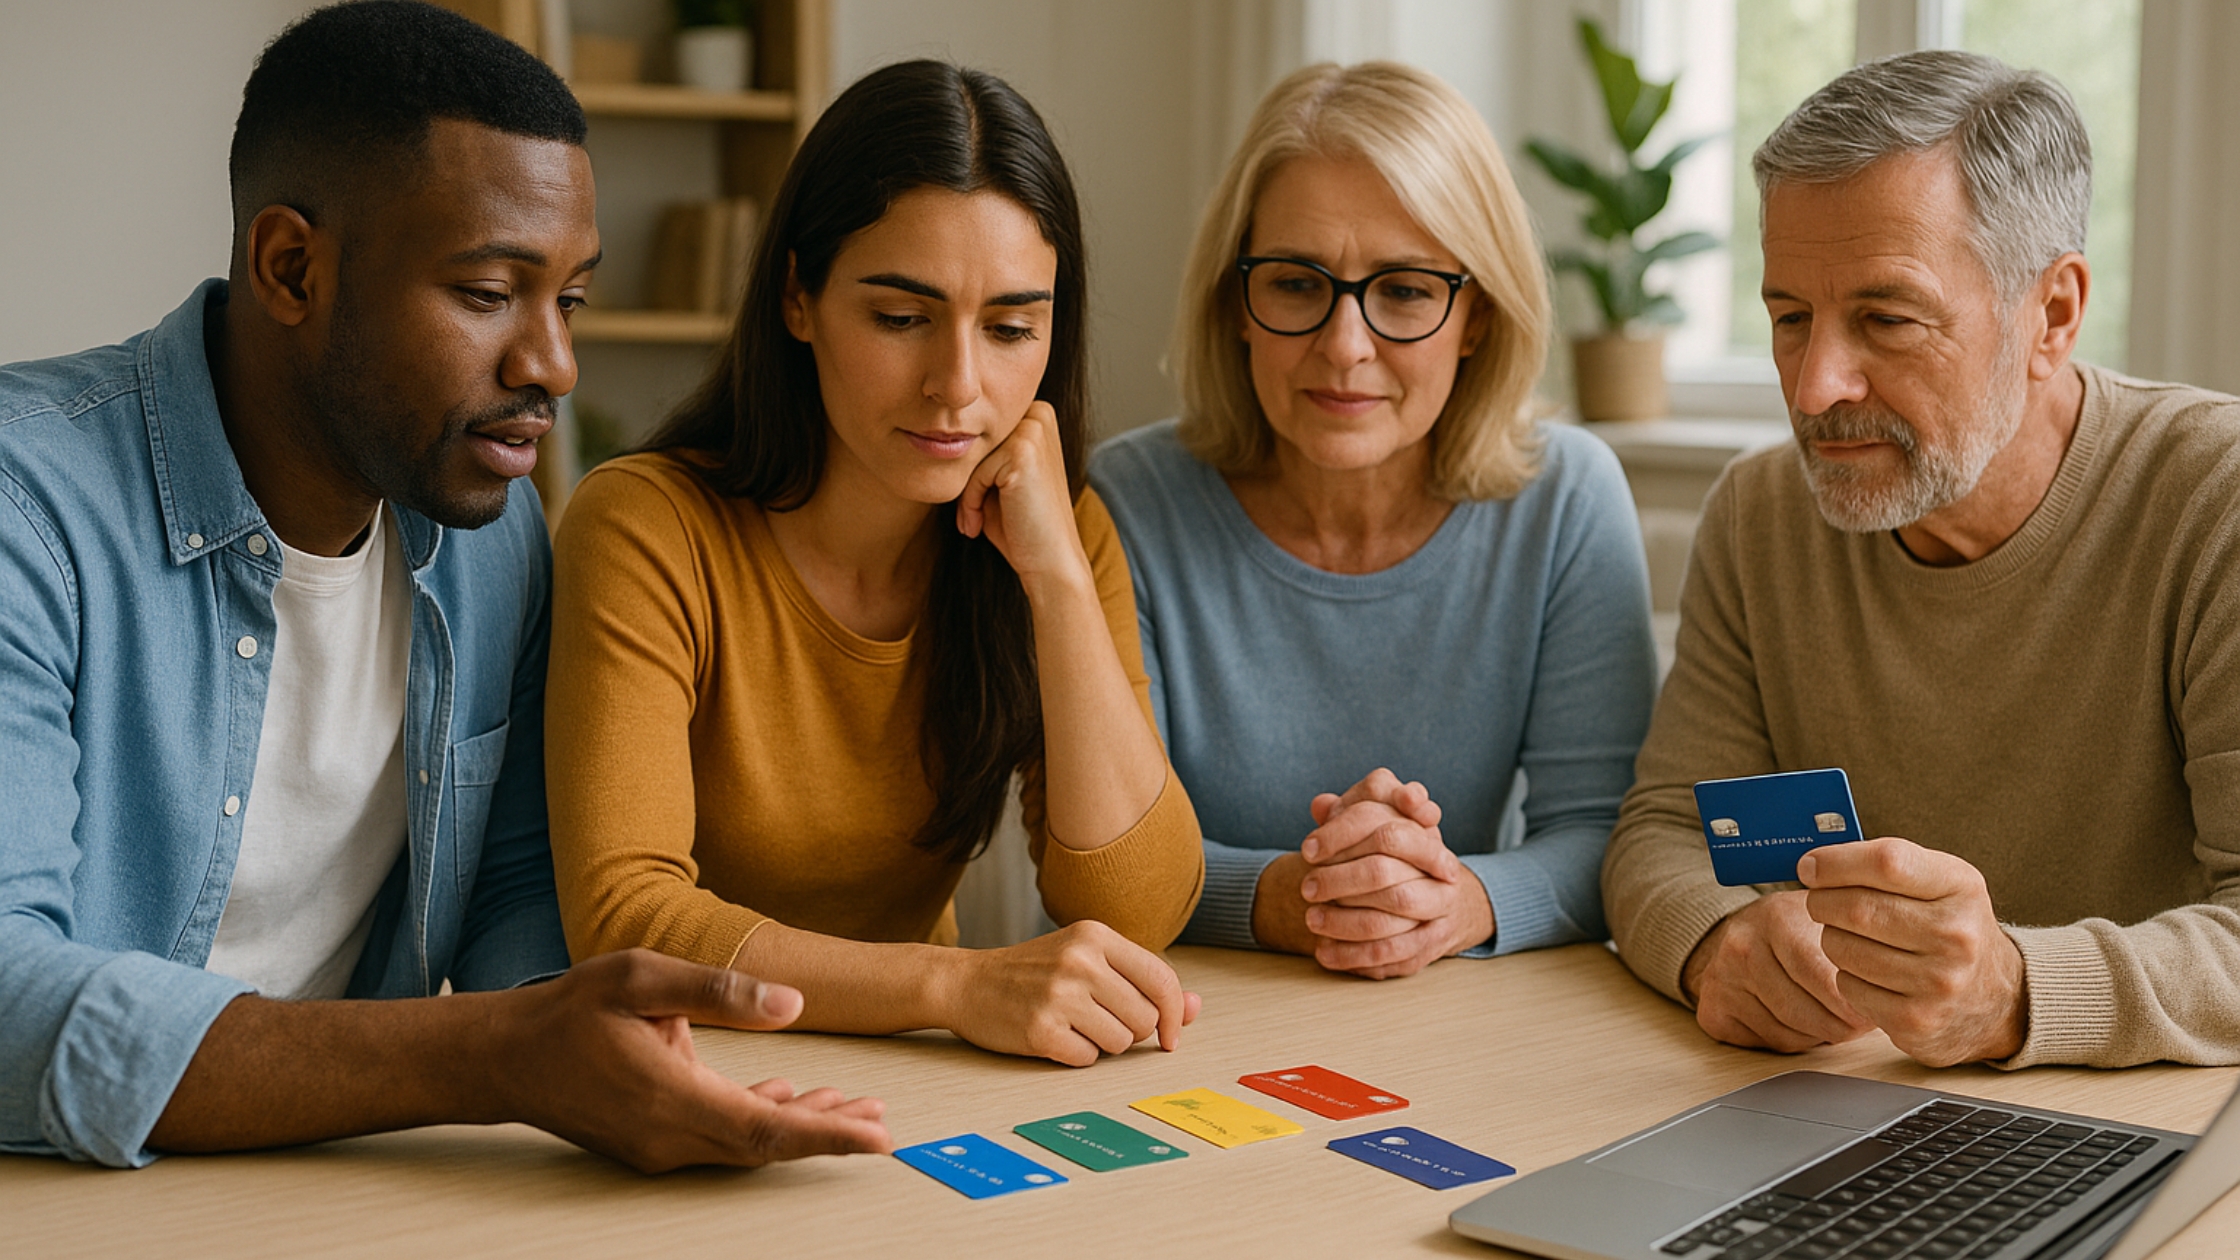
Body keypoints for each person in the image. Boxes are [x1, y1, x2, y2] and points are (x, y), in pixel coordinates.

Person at [0, 1, 889, 1171]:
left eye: (566, 299)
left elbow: (514, 890)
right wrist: (490, 1056)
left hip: (355, 1182)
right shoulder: (30, 510)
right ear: (291, 267)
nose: (552, 366)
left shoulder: (489, 531)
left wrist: (611, 1058)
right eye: (486, 294)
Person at [544, 60, 1205, 1068]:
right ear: (797, 298)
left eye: (1011, 327)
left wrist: (1058, 580)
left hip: (913, 1073)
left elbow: (1138, 906)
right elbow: (629, 920)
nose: (957, 385)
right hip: (680, 1068)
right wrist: (952, 982)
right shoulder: (645, 526)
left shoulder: (1055, 533)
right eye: (900, 318)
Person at [1603, 50, 2240, 1069]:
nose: (1813, 388)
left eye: (1885, 319)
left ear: (2052, 315)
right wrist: (1715, 942)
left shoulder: (2215, 498)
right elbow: (1665, 831)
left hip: (2149, 1138)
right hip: (1850, 1118)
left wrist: (2012, 993)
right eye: (1785, 319)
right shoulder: (1760, 513)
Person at [1088, 62, 1658, 978]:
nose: (1345, 346)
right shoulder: (1128, 502)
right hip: (1181, 1022)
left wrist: (1454, 902)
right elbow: (1102, 859)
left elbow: (1607, 835)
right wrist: (1309, 897)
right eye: (1295, 284)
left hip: (1465, 1025)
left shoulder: (1567, 498)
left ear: (1475, 316)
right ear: (1239, 302)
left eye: (1403, 290)